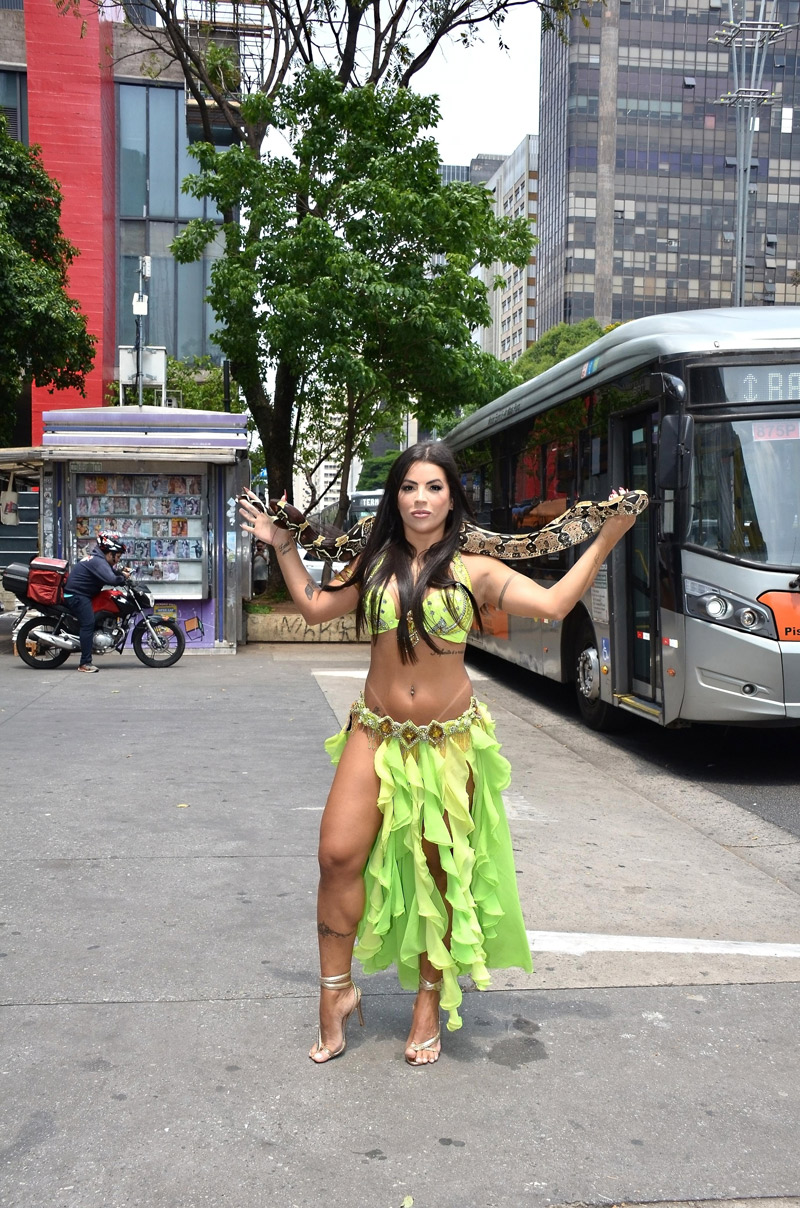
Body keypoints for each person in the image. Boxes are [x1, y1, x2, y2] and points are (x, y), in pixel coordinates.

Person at [238, 442, 642, 1066]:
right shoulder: (373, 561)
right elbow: (317, 608)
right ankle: (336, 991)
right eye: (408, 487)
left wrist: (607, 536)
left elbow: (556, 604)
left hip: (449, 742)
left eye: (433, 488)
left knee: (438, 871)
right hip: (374, 732)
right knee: (337, 854)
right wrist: (282, 544)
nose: (420, 499)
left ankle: (429, 999)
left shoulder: (474, 568)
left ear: (452, 497)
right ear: (395, 496)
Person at [63, 531, 130, 673]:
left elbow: (110, 573)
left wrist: (121, 573)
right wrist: (122, 579)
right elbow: (111, 579)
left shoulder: (98, 559)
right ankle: (85, 663)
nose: (117, 560)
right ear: (109, 553)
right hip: (77, 595)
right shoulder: (98, 561)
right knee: (88, 623)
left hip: (84, 594)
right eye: (117, 556)